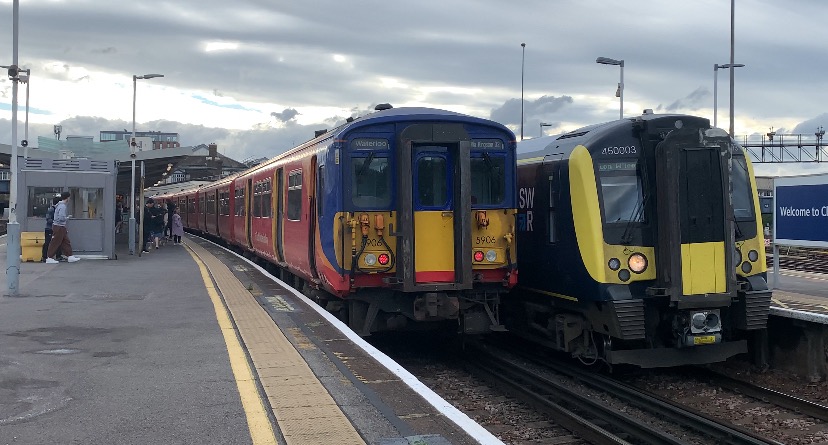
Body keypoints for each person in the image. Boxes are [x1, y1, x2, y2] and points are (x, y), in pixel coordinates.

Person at [45, 191, 81, 264]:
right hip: (59, 226)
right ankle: (49, 257)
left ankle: (70, 256)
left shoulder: (59, 205)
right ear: (67, 198)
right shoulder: (62, 206)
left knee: (66, 242)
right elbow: (61, 217)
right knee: (55, 242)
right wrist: (66, 218)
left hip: (60, 226)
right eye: (69, 197)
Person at [42, 196, 61, 262]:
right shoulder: (51, 210)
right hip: (49, 228)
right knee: (48, 242)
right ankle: (44, 257)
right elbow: (48, 219)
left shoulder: (57, 209)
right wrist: (55, 222)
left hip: (55, 228)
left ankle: (58, 255)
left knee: (58, 242)